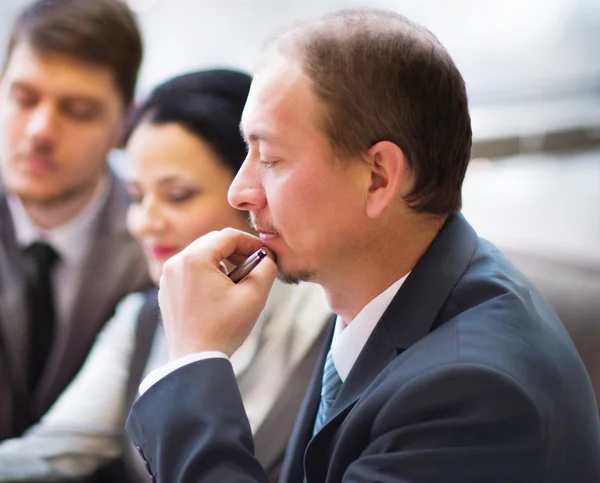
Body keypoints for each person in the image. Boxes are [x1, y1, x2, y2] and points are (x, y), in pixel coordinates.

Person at [125, 8, 600, 483]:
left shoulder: (474, 392)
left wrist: (193, 361)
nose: (239, 192)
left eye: (269, 158)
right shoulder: (376, 290)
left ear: (377, 178)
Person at [0, 69, 331, 483]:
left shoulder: (332, 319)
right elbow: (47, 455)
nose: (144, 222)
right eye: (137, 196)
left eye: (178, 195)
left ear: (250, 192)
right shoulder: (139, 320)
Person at [0, 0, 151, 442]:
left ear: (125, 123)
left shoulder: (157, 242)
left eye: (78, 110)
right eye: (23, 99)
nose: (40, 131)